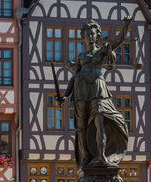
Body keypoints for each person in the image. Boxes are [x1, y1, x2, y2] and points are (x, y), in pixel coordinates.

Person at [57, 16, 132, 168]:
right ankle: (85, 157)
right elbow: (74, 77)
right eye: (87, 34)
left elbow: (119, 40)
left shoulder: (103, 50)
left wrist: (126, 25)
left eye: (92, 34)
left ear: (98, 36)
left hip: (98, 89)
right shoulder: (81, 57)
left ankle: (102, 156)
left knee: (100, 121)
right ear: (83, 38)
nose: (90, 37)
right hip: (81, 90)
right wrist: (66, 95)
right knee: (81, 126)